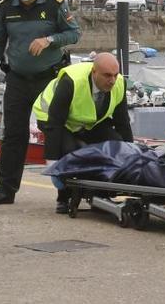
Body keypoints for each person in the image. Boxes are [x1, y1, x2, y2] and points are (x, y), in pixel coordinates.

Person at [0, 0, 81, 206]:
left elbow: (74, 33)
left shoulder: (55, 4)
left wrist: (49, 40)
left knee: (56, 134)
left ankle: (64, 192)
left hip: (49, 78)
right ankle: (5, 190)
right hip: (18, 79)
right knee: (13, 134)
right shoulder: (5, 8)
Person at [33, 53, 133, 213]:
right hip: (53, 118)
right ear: (94, 72)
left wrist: (131, 153)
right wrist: (52, 161)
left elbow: (123, 122)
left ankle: (100, 194)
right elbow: (55, 122)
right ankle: (64, 197)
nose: (112, 80)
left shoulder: (119, 83)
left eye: (115, 75)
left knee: (114, 145)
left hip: (87, 119)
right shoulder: (72, 81)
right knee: (70, 151)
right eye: (107, 75)